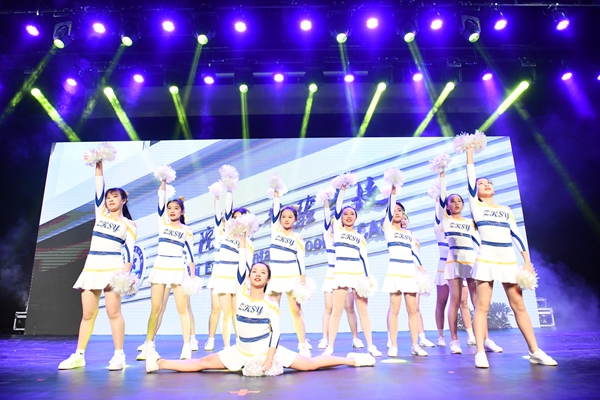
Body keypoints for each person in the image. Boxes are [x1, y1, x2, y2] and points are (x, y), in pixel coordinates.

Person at [145, 236, 376, 373]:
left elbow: (276, 335)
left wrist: (268, 360)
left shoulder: (271, 303)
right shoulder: (240, 293)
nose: (257, 274)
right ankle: (158, 362)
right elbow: (242, 265)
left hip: (267, 352)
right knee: (202, 363)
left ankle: (353, 360)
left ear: (267, 279)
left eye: (262, 272)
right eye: (254, 271)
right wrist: (242, 242)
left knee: (310, 365)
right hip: (241, 351)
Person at [466, 146, 557, 368]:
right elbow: (470, 180)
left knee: (519, 306)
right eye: (481, 184)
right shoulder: (476, 206)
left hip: (508, 259)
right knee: (482, 306)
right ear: (476, 191)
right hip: (486, 258)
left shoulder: (506, 209)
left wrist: (526, 261)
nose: (486, 185)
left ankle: (535, 351)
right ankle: (480, 352)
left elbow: (516, 235)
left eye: (489, 183)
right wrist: (469, 155)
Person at [58, 160, 137, 371]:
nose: (110, 199)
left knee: (113, 312)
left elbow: (130, 250)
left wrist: (126, 274)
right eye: (108, 196)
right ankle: (79, 355)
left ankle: (119, 355)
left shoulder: (129, 224)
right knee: (87, 314)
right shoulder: (100, 212)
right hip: (91, 268)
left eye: (115, 196)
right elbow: (99, 186)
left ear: (124, 200)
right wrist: (99, 164)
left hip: (113, 269)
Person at [439, 170, 499, 354]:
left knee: (477, 301)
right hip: (454, 262)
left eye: (459, 201)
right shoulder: (445, 219)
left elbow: (478, 240)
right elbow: (441, 198)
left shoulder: (471, 222)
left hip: (472, 261)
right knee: (455, 300)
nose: (456, 203)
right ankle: (454, 341)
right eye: (452, 201)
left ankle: (486, 339)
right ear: (447, 206)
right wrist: (442, 175)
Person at [138, 180, 195, 361]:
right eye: (169, 208)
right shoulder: (162, 223)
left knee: (182, 309)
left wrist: (192, 277)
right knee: (155, 308)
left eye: (176, 208)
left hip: (177, 269)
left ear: (182, 211)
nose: (172, 211)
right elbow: (160, 200)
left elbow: (191, 256)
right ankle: (149, 344)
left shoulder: (187, 230)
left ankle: (186, 345)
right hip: (160, 267)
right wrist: (163, 180)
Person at [324, 185, 382, 357]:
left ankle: (370, 346)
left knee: (363, 311)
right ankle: (330, 346)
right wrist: (342, 189)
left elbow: (364, 258)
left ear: (356, 217)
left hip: (357, 275)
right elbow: (337, 209)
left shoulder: (360, 237)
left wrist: (367, 277)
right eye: (345, 214)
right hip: (341, 272)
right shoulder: (338, 230)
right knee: (337, 312)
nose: (348, 216)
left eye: (352, 214)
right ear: (341, 217)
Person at [382, 186, 429, 357]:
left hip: (409, 271)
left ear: (404, 214)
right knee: (394, 310)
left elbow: (414, 254)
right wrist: (393, 191)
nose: (397, 212)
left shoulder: (409, 234)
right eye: (394, 210)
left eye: (400, 210)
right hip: (395, 270)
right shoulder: (388, 228)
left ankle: (415, 345)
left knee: (412, 310)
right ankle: (393, 345)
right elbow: (390, 210)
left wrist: (421, 270)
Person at [267, 189, 311, 356]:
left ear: (295, 219)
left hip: (292, 276)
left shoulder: (298, 238)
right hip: (275, 275)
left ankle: (302, 345)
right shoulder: (275, 230)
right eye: (283, 216)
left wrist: (303, 280)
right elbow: (275, 209)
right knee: (272, 311)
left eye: (290, 217)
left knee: (296, 311)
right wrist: (276, 195)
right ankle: (270, 346)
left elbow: (301, 259)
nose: (286, 219)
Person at [210, 187, 253, 348]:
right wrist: (229, 189)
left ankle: (240, 344)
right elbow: (226, 210)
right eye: (234, 218)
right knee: (226, 313)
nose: (236, 220)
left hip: (238, 278)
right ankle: (227, 347)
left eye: (240, 218)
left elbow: (247, 263)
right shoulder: (225, 233)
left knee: (237, 313)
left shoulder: (248, 242)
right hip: (223, 276)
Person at [318, 198, 363, 350]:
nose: (334, 223)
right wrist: (326, 204)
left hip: (345, 272)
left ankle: (355, 337)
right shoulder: (328, 235)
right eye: (332, 221)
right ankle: (325, 338)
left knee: (349, 307)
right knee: (329, 308)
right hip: (331, 273)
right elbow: (327, 218)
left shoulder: (347, 236)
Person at [204, 192, 225, 351]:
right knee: (215, 309)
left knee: (232, 312)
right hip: (218, 276)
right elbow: (217, 217)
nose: (225, 222)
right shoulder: (220, 233)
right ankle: (210, 339)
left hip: (232, 277)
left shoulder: (240, 238)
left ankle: (234, 340)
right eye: (224, 220)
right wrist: (217, 198)